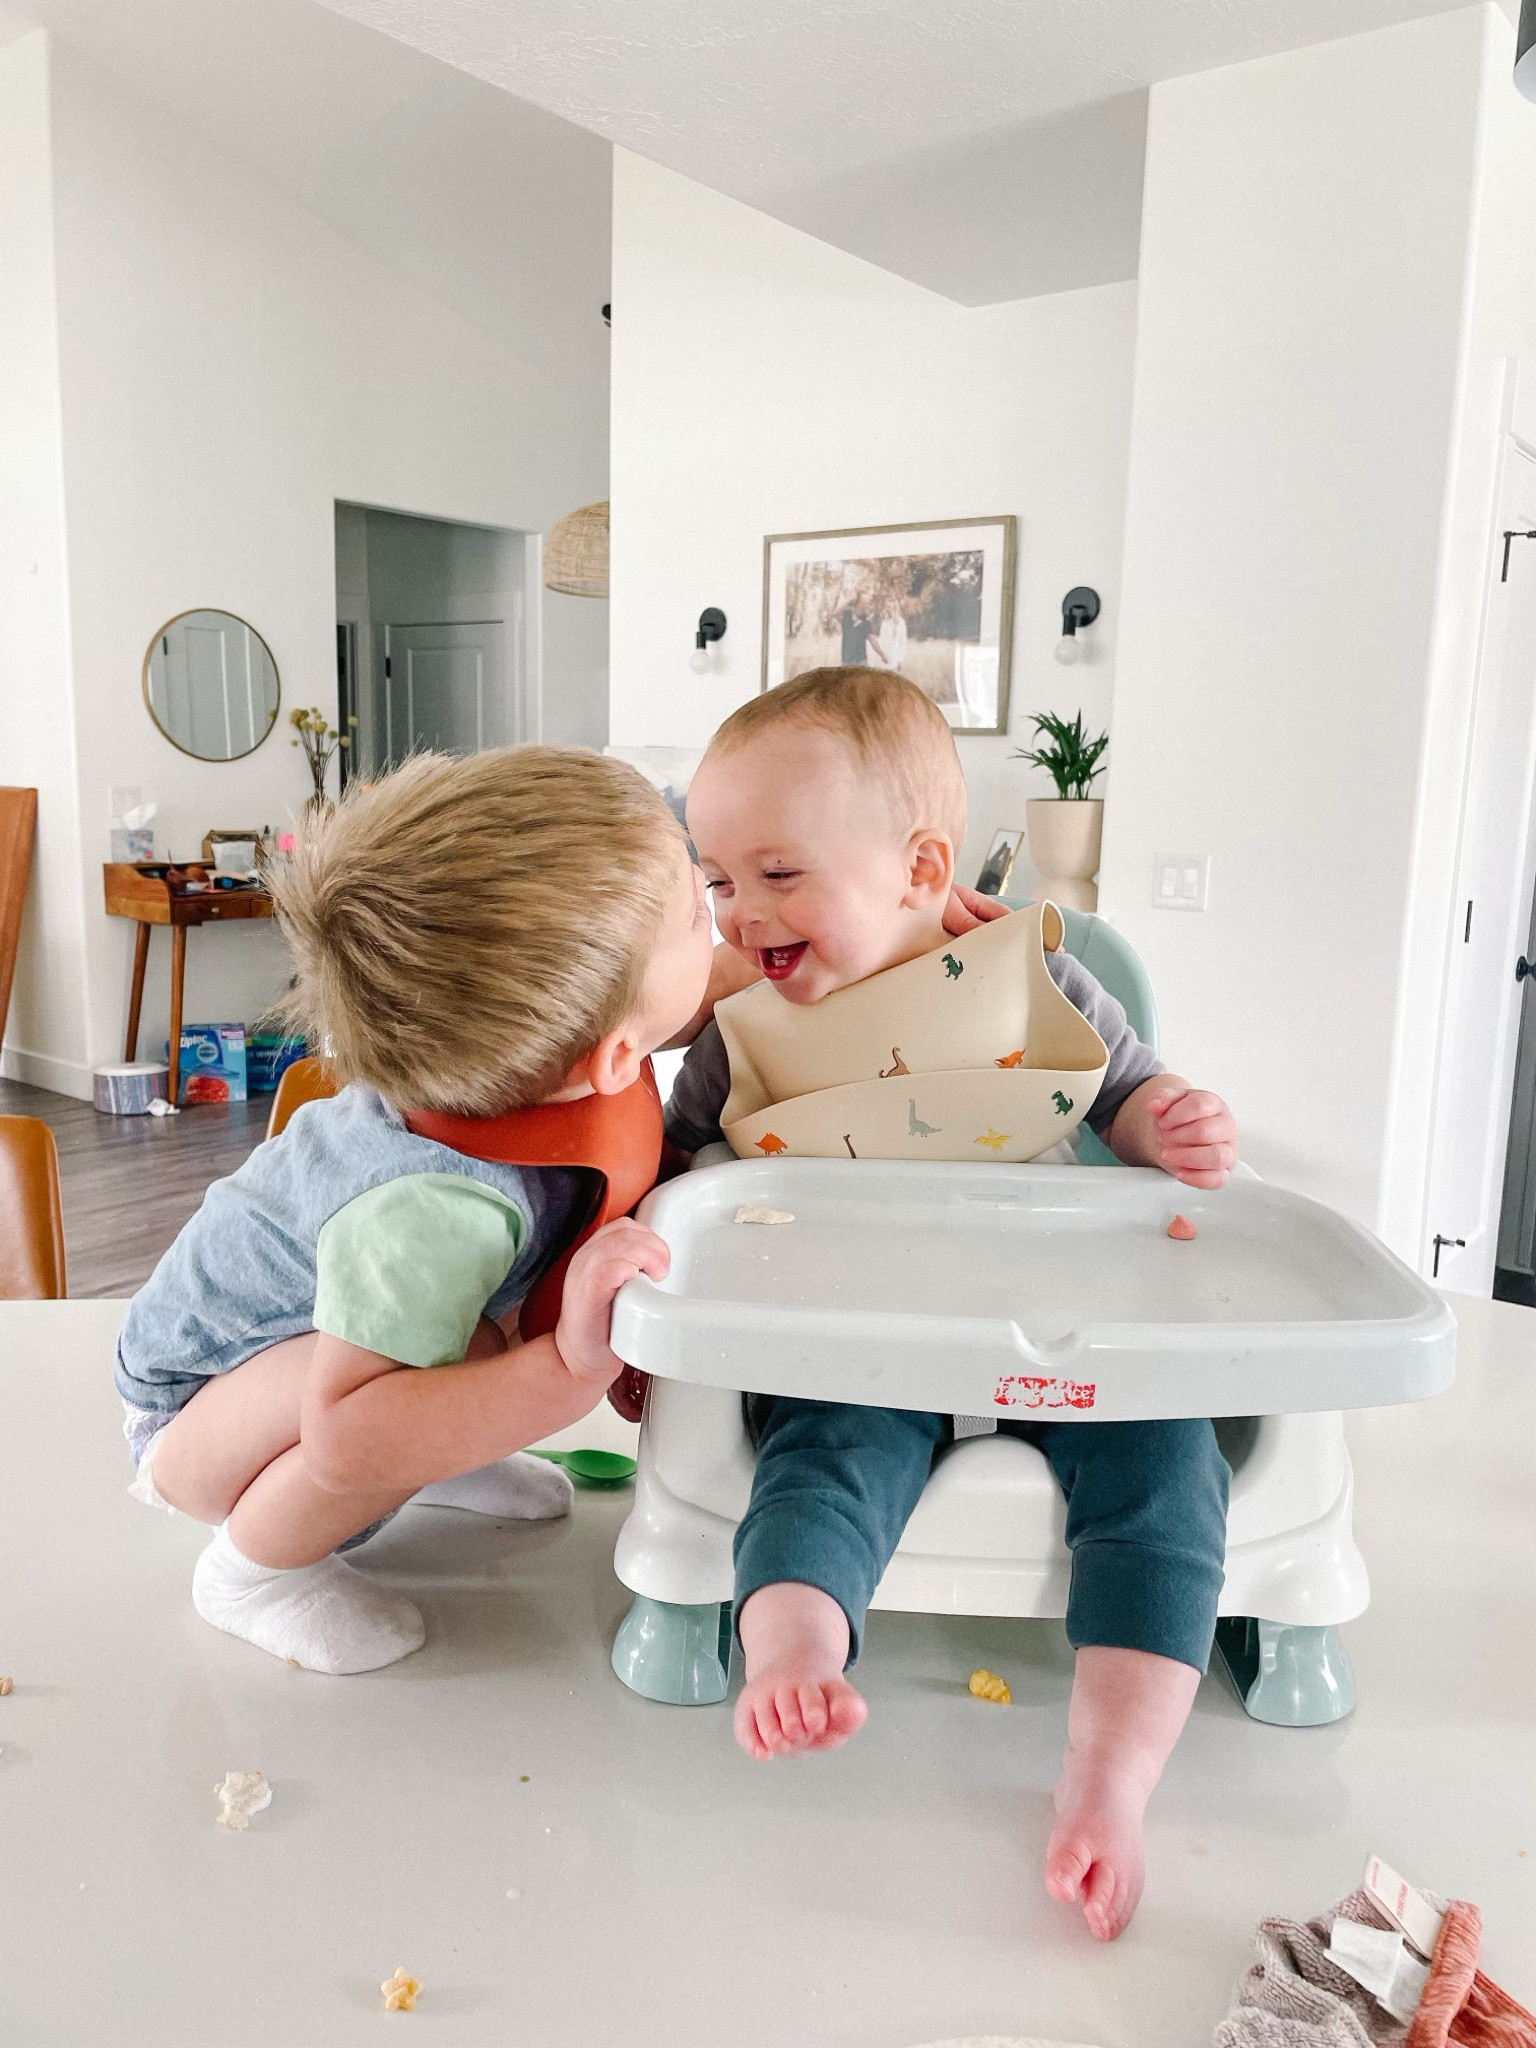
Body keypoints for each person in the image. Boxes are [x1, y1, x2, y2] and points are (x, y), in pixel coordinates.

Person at [663, 666, 1239, 1944]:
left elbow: (1127, 1094)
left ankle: (1110, 1770)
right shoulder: (740, 1032)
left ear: (921, 870)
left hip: (1051, 1320)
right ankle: (796, 1651)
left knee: (1167, 1461)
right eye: (716, 879)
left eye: (778, 872)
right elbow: (669, 1183)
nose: (739, 911)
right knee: (816, 1464)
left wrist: (1169, 1125)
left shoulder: (1027, 980)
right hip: (854, 1341)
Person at [115, 747, 715, 1676]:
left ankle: (450, 1450)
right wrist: (562, 1371)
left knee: (440, 1340)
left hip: (346, 1348)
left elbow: (701, 993)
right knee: (393, 1405)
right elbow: (355, 1429)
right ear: (613, 1052)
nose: (718, 926)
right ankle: (254, 1575)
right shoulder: (435, 1208)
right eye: (698, 914)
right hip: (204, 1417)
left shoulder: (532, 1058)